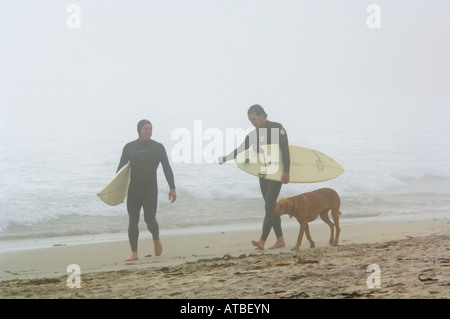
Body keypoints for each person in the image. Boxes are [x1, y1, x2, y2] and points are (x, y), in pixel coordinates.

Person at [219, 105, 290, 250]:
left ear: (263, 115)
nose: (252, 122)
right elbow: (241, 149)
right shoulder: (253, 135)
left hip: (276, 171)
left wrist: (286, 171)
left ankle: (262, 240)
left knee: (269, 206)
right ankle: (280, 240)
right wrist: (226, 158)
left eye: (254, 119)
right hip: (263, 173)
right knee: (271, 207)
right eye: (250, 120)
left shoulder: (277, 128)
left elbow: (285, 150)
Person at [117, 119, 176, 261]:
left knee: (150, 219)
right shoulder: (129, 147)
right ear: (139, 130)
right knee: (133, 220)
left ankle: (156, 239)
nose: (148, 131)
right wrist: (118, 191)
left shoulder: (158, 147)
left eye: (150, 128)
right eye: (145, 128)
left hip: (150, 189)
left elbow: (167, 168)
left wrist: (172, 188)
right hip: (134, 190)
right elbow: (120, 170)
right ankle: (134, 253)